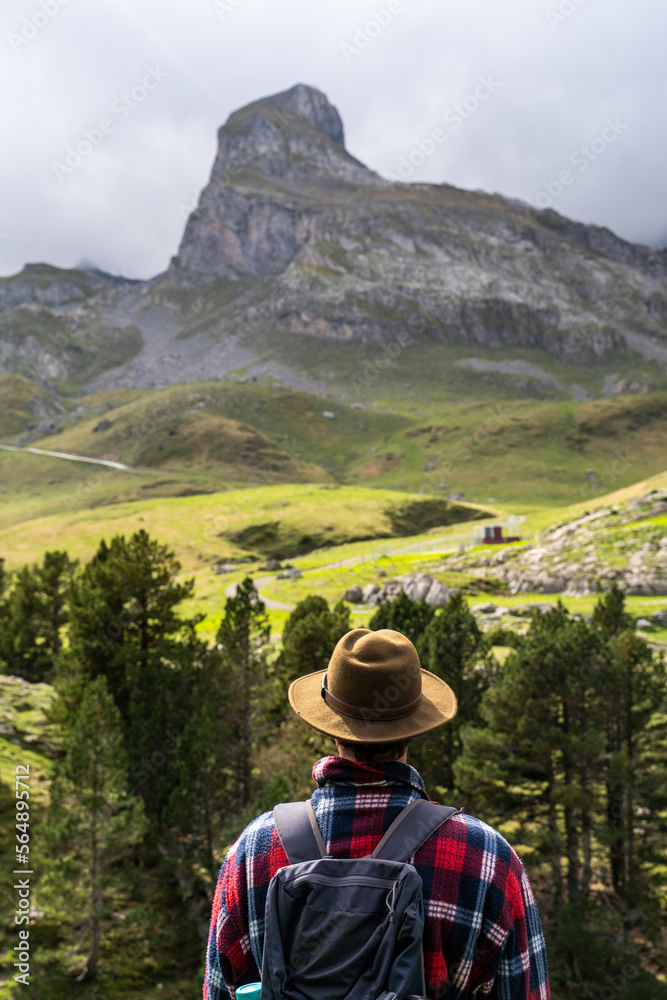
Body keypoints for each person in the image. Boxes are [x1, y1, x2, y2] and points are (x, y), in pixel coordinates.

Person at [203, 628, 550, 999]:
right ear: (415, 726)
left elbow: (219, 991)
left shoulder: (252, 852)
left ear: (331, 724)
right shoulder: (487, 858)